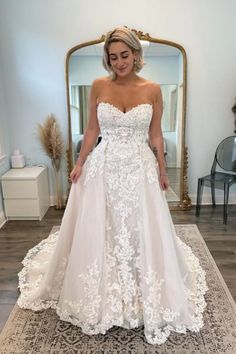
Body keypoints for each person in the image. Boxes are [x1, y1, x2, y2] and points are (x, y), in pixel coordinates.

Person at [17, 27, 208, 345]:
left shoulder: (152, 89)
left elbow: (156, 135)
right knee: (101, 227)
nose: (119, 62)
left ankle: (140, 282)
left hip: (139, 167)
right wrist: (79, 164)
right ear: (107, 59)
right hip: (103, 166)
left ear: (136, 54)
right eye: (112, 57)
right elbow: (92, 130)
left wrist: (162, 169)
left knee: (138, 226)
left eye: (124, 55)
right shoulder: (98, 85)